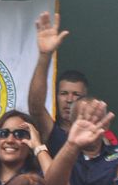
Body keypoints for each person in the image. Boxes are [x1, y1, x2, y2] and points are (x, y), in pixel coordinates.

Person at [26, 12, 88, 143]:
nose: (69, 100)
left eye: (76, 94)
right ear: (56, 97)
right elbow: (36, 108)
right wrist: (45, 55)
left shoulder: (98, 135)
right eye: (64, 93)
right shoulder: (53, 132)